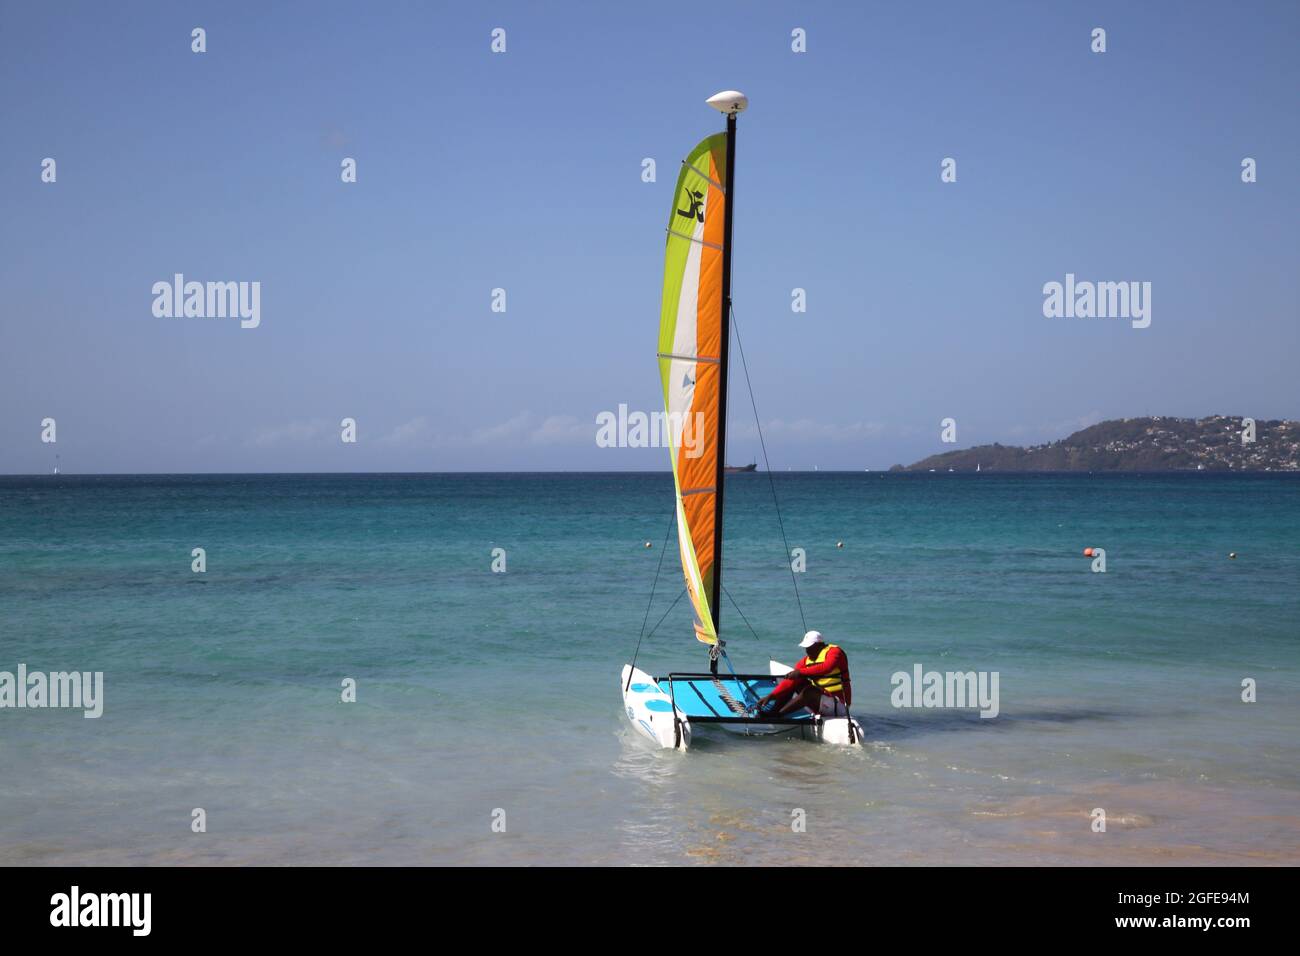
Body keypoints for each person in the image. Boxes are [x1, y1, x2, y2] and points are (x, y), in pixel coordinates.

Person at [753, 630, 852, 718]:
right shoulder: (805, 661)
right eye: (806, 647)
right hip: (821, 701)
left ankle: (778, 715)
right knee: (793, 682)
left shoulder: (835, 652)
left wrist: (800, 672)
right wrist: (771, 696)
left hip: (839, 705)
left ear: (819, 645)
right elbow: (789, 683)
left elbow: (826, 668)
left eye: (809, 647)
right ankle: (773, 712)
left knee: (809, 690)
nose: (807, 650)